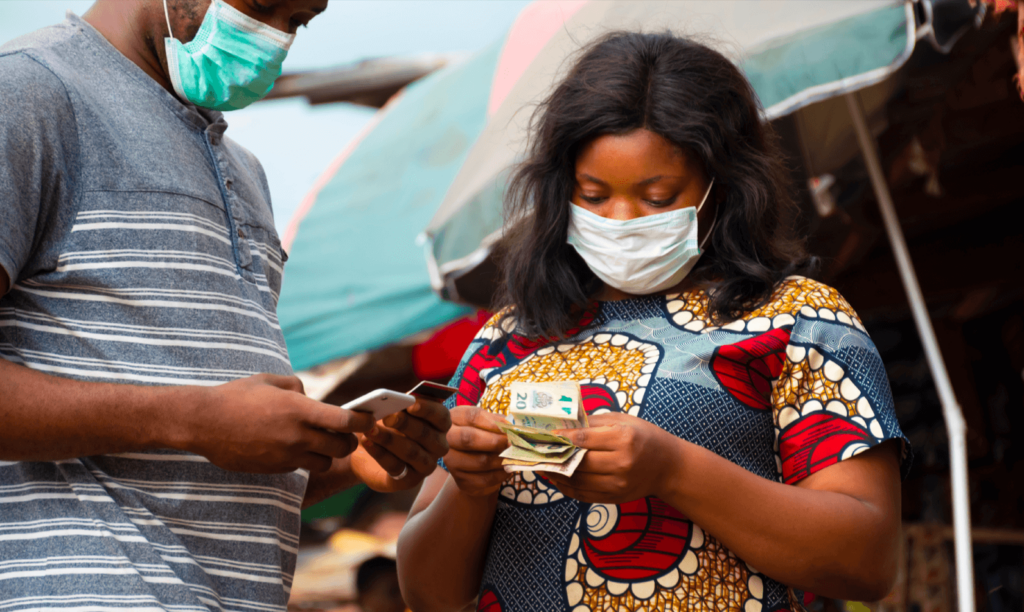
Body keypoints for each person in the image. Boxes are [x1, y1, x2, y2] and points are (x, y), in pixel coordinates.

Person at [397, 32, 911, 612]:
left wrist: (673, 470)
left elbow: (869, 560)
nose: (620, 220)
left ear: (724, 187)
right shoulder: (507, 339)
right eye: (593, 196)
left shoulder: (800, 321)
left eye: (658, 197)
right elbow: (427, 596)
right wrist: (469, 488)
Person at [0, 0, 449, 609]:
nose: (275, 38)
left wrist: (346, 459)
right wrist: (191, 419)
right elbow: (199, 425)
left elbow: (212, 460)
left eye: (299, 21)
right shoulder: (27, 92)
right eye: (263, 7)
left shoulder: (245, 170)